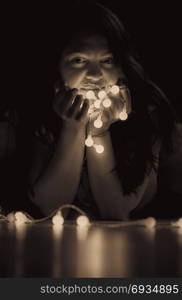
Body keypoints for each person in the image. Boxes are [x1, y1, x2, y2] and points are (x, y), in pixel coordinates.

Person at [3, 2, 178, 220]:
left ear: (122, 67)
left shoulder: (146, 114)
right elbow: (51, 209)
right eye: (79, 61)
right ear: (56, 67)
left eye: (107, 61)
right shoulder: (34, 115)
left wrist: (99, 132)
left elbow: (116, 212)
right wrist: (73, 127)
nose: (95, 75)